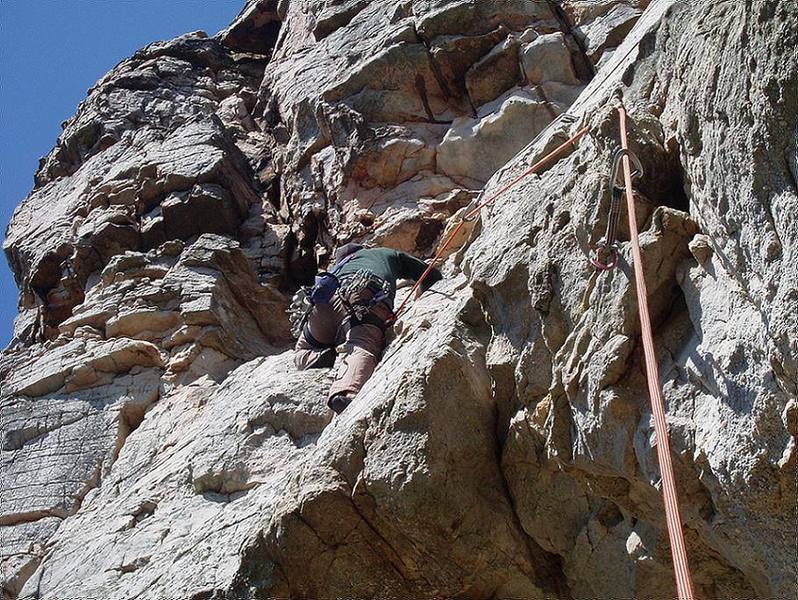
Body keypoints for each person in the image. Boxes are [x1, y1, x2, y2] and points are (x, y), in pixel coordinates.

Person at [294, 244, 442, 414]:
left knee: (302, 348)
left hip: (322, 303)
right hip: (361, 292)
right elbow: (430, 274)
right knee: (362, 344)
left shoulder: (338, 268)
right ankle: (345, 393)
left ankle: (317, 355)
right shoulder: (383, 253)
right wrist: (421, 294)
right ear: (362, 250)